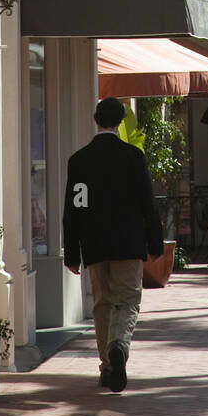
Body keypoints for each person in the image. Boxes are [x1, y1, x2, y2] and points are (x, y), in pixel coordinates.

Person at [63, 96, 164, 392]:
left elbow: (74, 209)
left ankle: (107, 367)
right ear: (120, 121)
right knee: (128, 301)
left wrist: (72, 252)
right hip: (128, 244)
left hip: (94, 246)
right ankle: (118, 345)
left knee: (102, 304)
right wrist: (155, 242)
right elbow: (148, 203)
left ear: (96, 119)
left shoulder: (79, 161)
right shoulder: (132, 157)